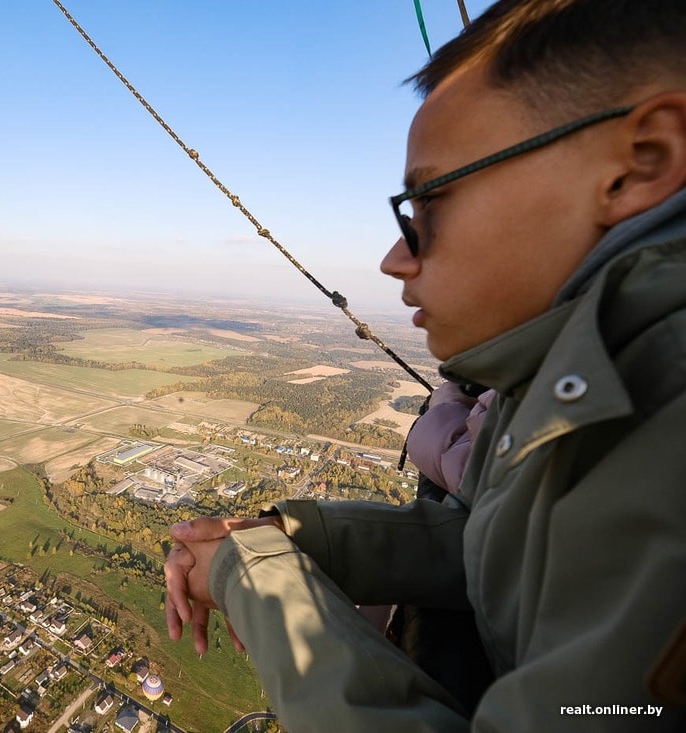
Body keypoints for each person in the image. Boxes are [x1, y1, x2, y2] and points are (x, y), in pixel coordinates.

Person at [163, 1, 686, 730]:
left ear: (643, 163)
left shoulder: (664, 426)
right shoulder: (562, 376)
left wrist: (251, 578)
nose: (395, 257)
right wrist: (284, 542)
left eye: (428, 203)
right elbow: (494, 550)